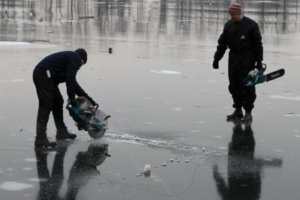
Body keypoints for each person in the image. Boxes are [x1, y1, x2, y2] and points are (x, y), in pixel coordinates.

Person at [33, 48, 98, 148]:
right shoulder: (75, 57)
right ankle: (40, 138)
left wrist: (90, 100)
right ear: (81, 59)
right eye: (82, 63)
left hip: (48, 77)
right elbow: (70, 79)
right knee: (45, 105)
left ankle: (61, 131)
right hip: (43, 74)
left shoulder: (70, 58)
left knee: (58, 102)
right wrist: (71, 98)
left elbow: (74, 84)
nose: (80, 67)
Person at [212, 2, 263, 122]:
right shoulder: (229, 25)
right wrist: (216, 59)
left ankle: (248, 112)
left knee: (247, 86)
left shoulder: (251, 25)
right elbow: (222, 44)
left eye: (234, 15)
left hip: (248, 58)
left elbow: (258, 45)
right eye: (231, 15)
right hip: (233, 58)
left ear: (240, 13)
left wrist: (259, 62)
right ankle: (238, 110)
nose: (232, 17)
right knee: (233, 85)